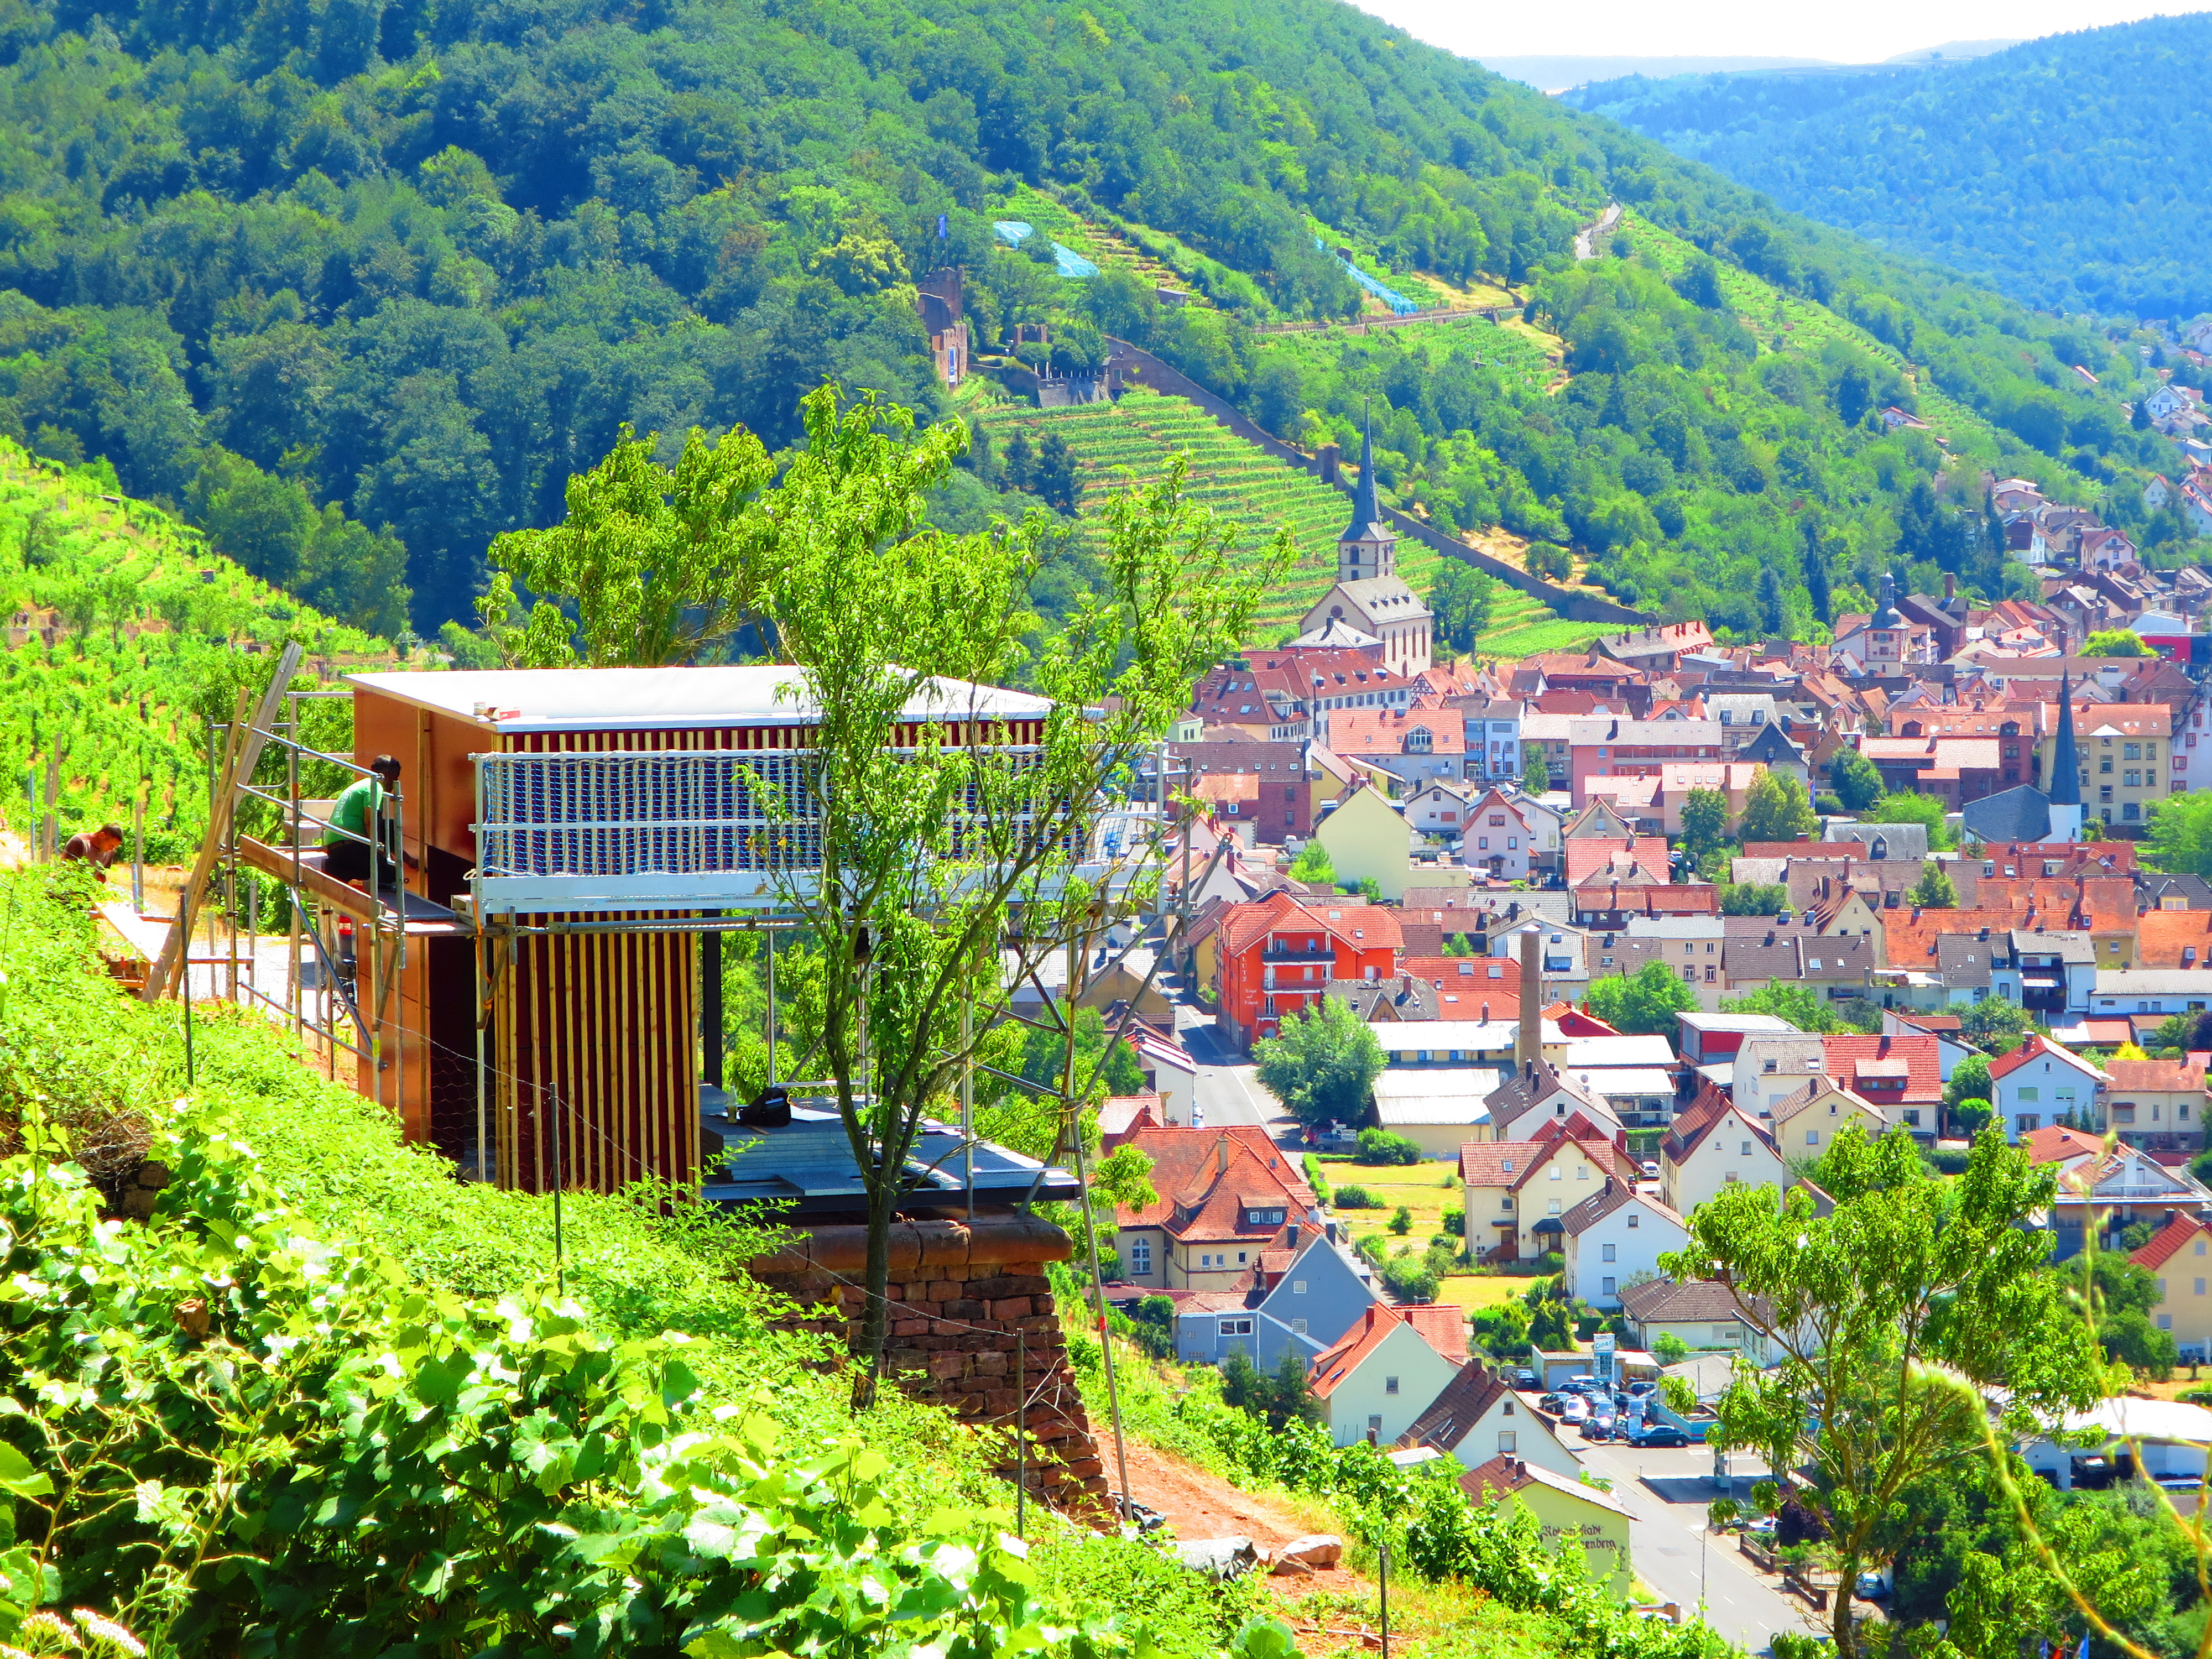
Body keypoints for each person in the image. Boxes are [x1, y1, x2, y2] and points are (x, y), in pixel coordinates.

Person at [322, 756, 409, 890]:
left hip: (335, 849)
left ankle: (342, 872)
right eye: (396, 777)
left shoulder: (360, 785)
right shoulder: (376, 787)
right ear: (388, 775)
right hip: (350, 847)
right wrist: (378, 849)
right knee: (389, 872)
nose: (396, 782)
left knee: (386, 830)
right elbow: (371, 821)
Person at [60, 823, 124, 879]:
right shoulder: (79, 842)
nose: (111, 849)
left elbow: (101, 874)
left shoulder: (110, 852)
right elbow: (67, 870)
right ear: (102, 836)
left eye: (114, 847)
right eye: (111, 846)